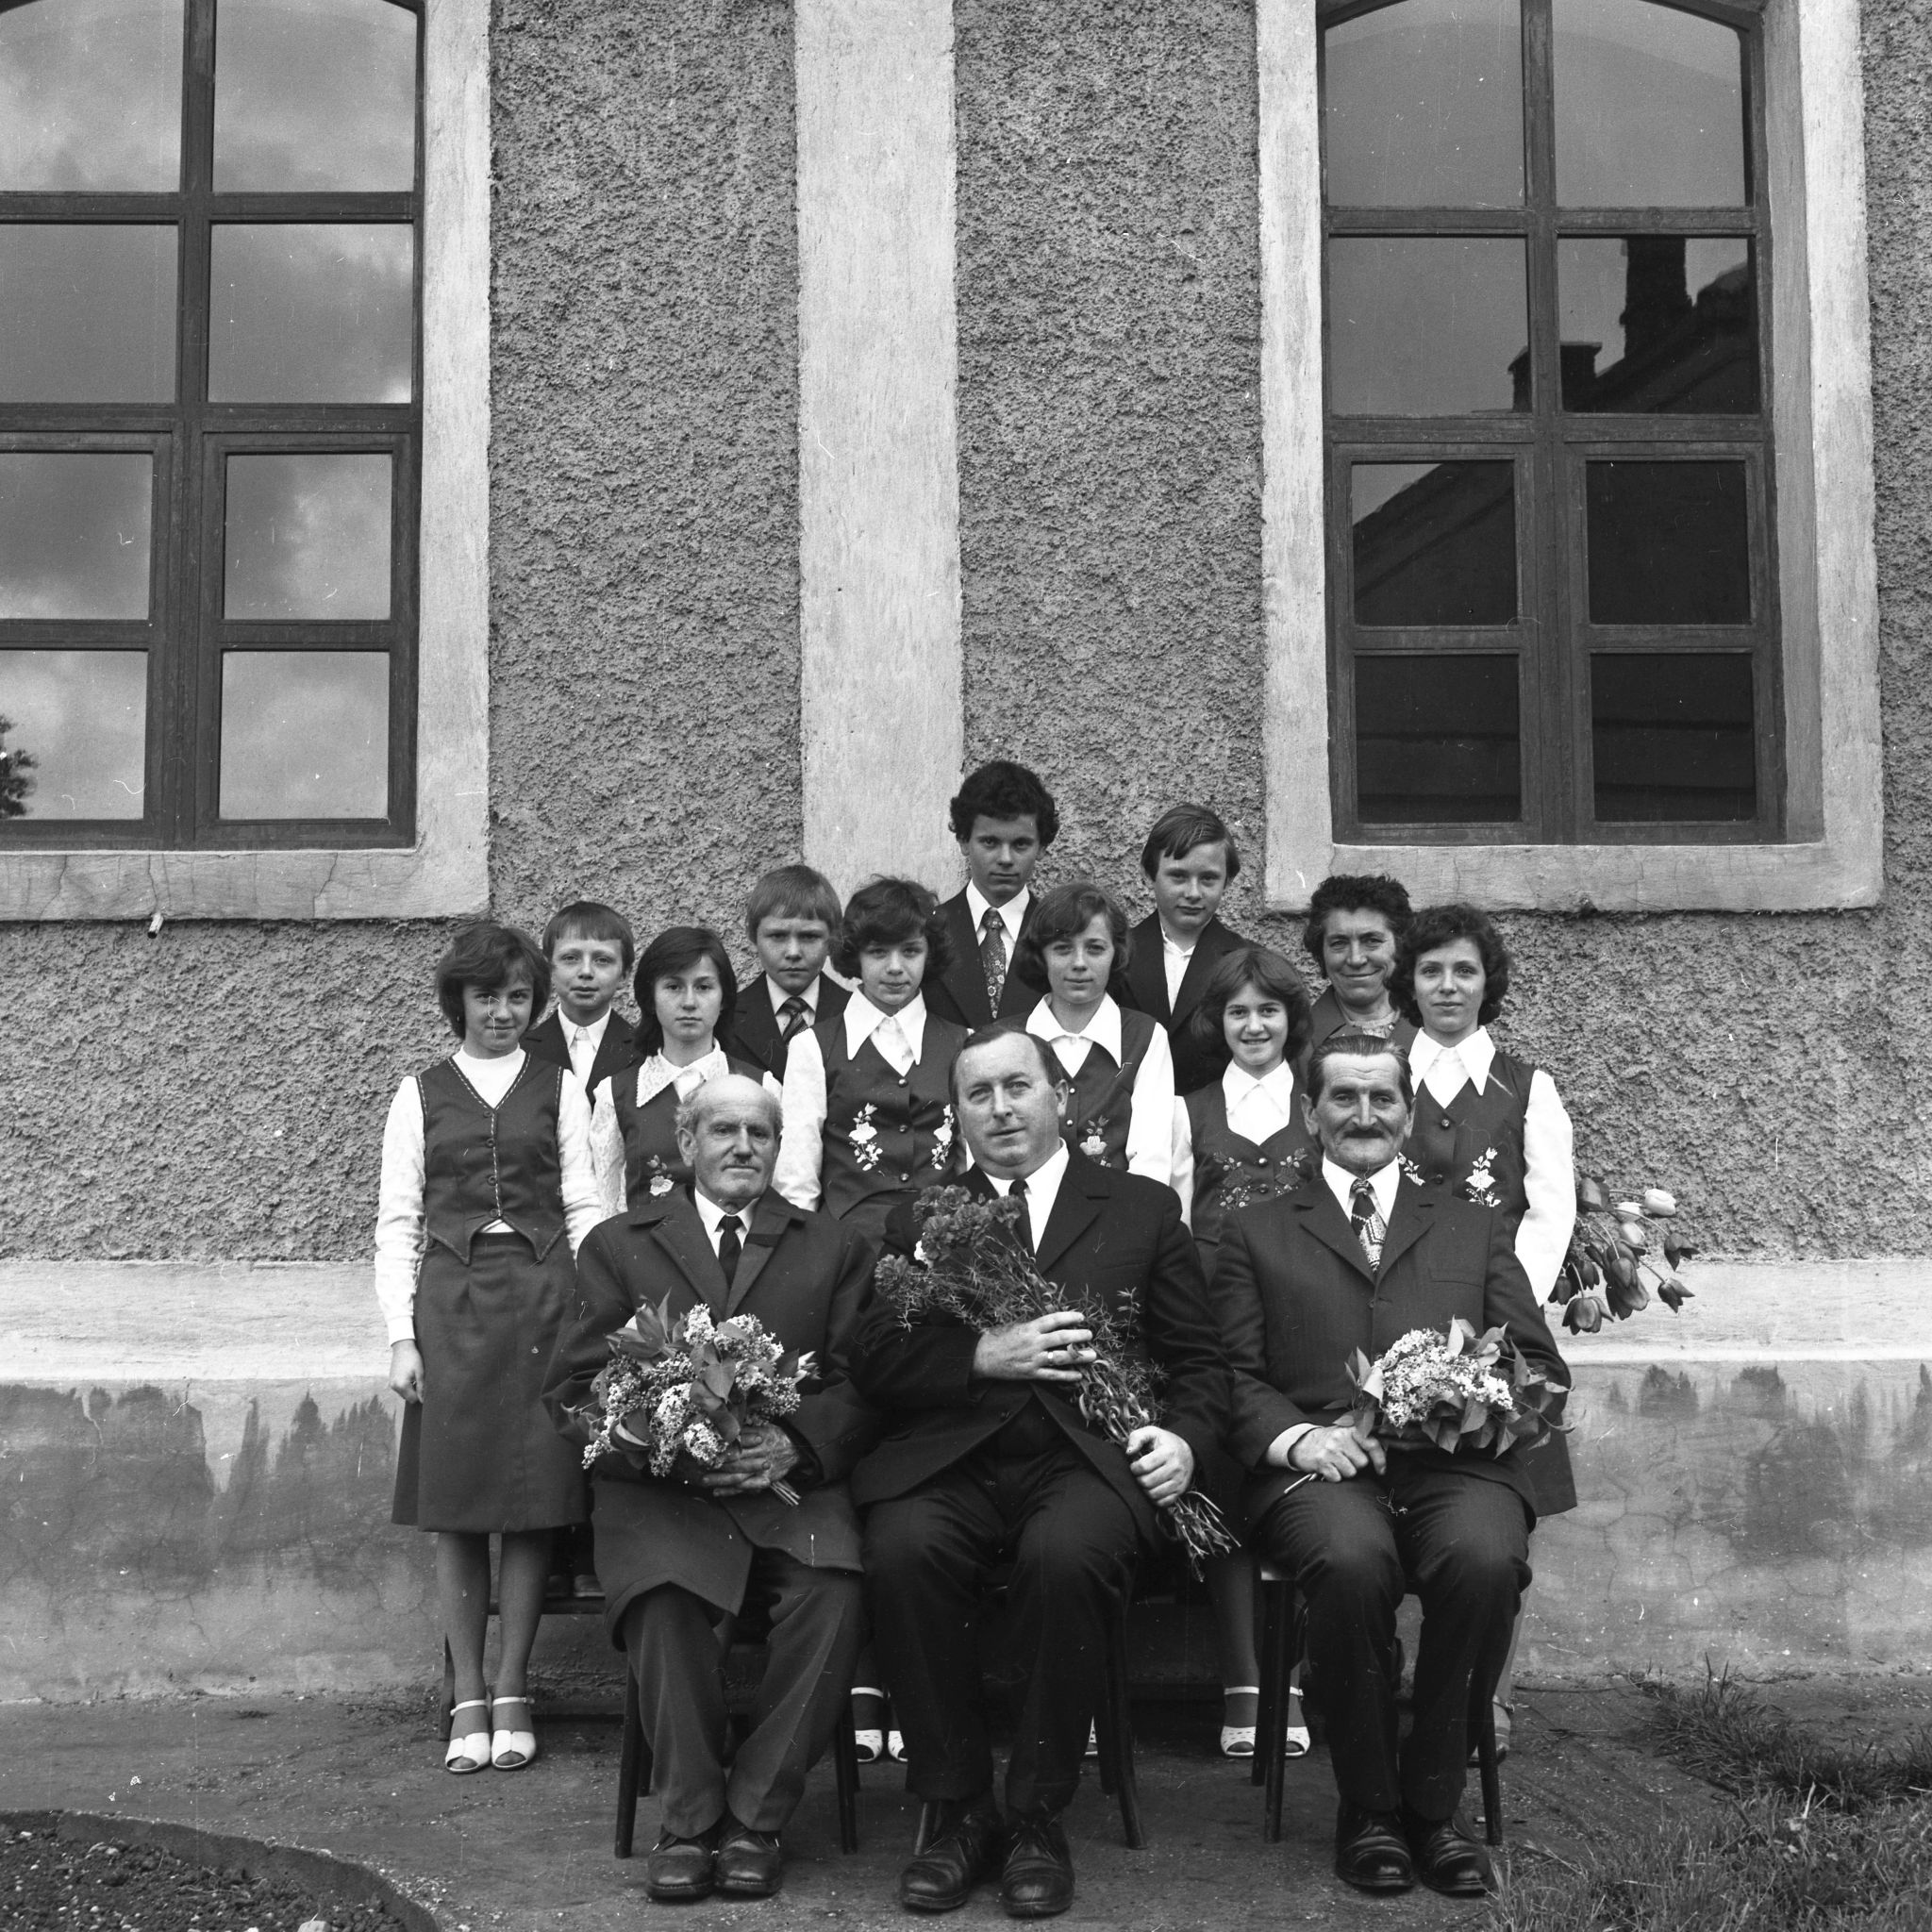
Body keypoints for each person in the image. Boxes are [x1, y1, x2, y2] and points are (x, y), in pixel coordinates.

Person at [851, 1027, 1226, 1920]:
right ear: (958, 1115)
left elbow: (1200, 1363)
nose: (1001, 1109)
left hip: (1084, 1462)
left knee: (1068, 1556)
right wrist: (982, 1353)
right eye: (978, 1095)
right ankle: (959, 1808)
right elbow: (873, 1357)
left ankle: (1033, 1816)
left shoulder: (1139, 1209)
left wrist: (1184, 1442)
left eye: (1018, 1087)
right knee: (903, 1548)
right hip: (953, 1458)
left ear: (1061, 1096)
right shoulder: (918, 1217)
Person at [1214, 1031, 1570, 1898]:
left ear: (1408, 1116)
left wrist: (1469, 1400)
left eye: (1382, 1099)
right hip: (1320, 1467)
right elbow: (1227, 1374)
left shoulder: (1472, 1225)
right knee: (1350, 1563)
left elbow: (1537, 1364)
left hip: (1453, 1466)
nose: (1363, 1115)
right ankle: (1369, 1809)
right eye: (1344, 1097)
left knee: (1485, 1561)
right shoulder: (1255, 1230)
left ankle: (1433, 1806)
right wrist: (1299, 1438)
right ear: (1311, 1113)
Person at [543, 1076, 876, 1903]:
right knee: (663, 1599)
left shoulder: (830, 1245)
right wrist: (674, 1444)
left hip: (786, 1488)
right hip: (666, 1494)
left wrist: (795, 1443)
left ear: (778, 1147)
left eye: (760, 1133)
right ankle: (689, 1822)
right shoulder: (619, 1244)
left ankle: (756, 1817)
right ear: (687, 1144)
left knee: (834, 1594)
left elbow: (862, 1384)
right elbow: (576, 1390)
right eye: (723, 1130)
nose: (743, 1147)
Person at [374, 922, 604, 1776]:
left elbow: (583, 1205)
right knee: (461, 1500)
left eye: (516, 997)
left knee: (537, 1498)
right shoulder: (419, 1093)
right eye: (486, 997)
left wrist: (595, 1312)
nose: (502, 1012)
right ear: (458, 1002)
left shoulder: (560, 1087)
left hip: (546, 1301)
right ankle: (467, 1691)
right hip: (454, 1306)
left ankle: (513, 1689)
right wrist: (402, 1338)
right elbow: (398, 1224)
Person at [1390, 902, 1579, 1753]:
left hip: (1497, 1333)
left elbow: (1548, 1213)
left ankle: (1485, 1696)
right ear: (1410, 982)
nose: (1447, 986)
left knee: (1496, 1512)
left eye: (1463, 970)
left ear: (1486, 982)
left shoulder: (1525, 1086)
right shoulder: (1381, 1073)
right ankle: (1386, 1672)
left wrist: (1499, 1320)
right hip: (1392, 1323)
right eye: (1430, 970)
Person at [1168, 945, 1315, 1759]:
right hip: (1212, 1319)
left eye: (1269, 1010)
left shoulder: (1318, 1104)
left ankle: (1292, 1677)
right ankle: (1245, 1680)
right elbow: (1172, 1214)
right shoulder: (1188, 1109)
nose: (1254, 1026)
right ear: (1216, 1023)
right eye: (1238, 1012)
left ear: (1292, 1019)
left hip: (1301, 1317)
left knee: (1298, 1478)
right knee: (1222, 1469)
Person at [774, 876, 969, 1248]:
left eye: (910, 951)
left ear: (929, 955)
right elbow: (797, 1176)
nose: (895, 967)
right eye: (878, 952)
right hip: (849, 1249)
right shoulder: (813, 1047)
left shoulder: (963, 1043)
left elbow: (970, 1162)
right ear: (856, 956)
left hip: (944, 1246)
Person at [589, 926, 778, 1219]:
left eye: (703, 987)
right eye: (673, 987)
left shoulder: (762, 1087)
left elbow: (779, 1192)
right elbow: (606, 1205)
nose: (689, 1002)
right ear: (650, 998)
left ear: (724, 998)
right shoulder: (616, 1094)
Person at [1013, 881, 1176, 1185]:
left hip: (1119, 1208)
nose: (1079, 963)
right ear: (1041, 956)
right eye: (1063, 949)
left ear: (1116, 953)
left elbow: (1151, 1161)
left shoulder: (1144, 1038)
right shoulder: (1008, 1040)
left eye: (1095, 949)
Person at [1120, 804, 1251, 1095]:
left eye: (1208, 879)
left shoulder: (1247, 961)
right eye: (1178, 876)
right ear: (1149, 875)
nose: (1193, 893)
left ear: (1227, 881)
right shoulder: (1116, 956)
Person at [924, 759, 1058, 1030]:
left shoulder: (1059, 934)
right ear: (963, 840)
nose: (1005, 859)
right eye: (990, 842)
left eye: (1020, 844)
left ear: (1042, 847)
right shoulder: (928, 930)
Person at [728, 864, 851, 1083]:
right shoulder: (726, 1019)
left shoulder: (856, 1013)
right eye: (777, 936)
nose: (793, 952)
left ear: (832, 939)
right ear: (753, 937)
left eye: (809, 936)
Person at [523, 900, 639, 1101]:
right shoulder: (522, 1050)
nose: (586, 971)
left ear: (624, 975)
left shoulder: (646, 1051)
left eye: (602, 960)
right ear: (549, 969)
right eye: (570, 958)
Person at [1299, 874, 1418, 1068]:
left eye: (1372, 941)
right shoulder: (1296, 1041)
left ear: (1400, 945)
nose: (1355, 959)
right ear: (1321, 952)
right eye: (1339, 943)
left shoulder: (1435, 1027)